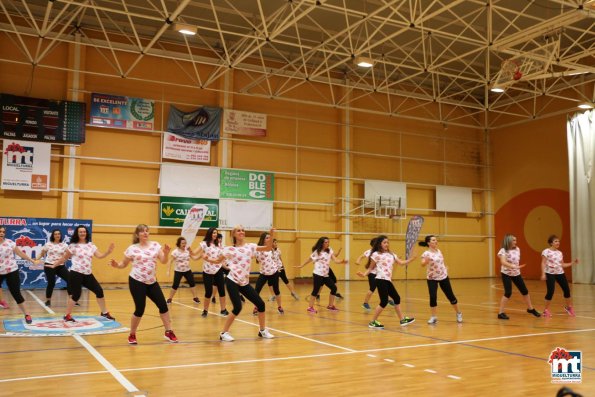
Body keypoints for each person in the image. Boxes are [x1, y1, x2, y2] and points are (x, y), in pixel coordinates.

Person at [110, 224, 177, 344]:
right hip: (136, 281)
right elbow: (123, 264)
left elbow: (163, 261)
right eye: (142, 231)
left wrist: (166, 252)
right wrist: (116, 265)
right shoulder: (132, 248)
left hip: (152, 282)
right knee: (140, 309)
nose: (145, 233)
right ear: (137, 235)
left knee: (163, 306)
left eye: (147, 231)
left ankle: (168, 331)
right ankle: (132, 334)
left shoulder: (156, 245)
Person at [216, 225, 275, 342]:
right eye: (238, 230)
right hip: (232, 280)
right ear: (233, 234)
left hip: (244, 282)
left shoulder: (251, 247)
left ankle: (262, 331)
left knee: (261, 304)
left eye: (243, 230)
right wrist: (208, 259)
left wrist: (272, 235)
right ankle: (223, 333)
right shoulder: (229, 249)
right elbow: (218, 261)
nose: (241, 232)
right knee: (237, 307)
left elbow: (268, 248)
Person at [56, 225, 115, 322]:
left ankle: (104, 312)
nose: (83, 233)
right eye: (80, 232)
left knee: (99, 291)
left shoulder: (91, 245)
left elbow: (99, 256)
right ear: (77, 233)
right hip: (76, 273)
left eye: (84, 231)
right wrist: (54, 265)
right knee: (76, 295)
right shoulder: (73, 246)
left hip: (88, 274)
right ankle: (67, 315)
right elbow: (64, 258)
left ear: (86, 233)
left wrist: (108, 252)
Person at [357, 235, 415, 329]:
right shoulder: (376, 254)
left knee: (397, 298)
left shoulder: (391, 254)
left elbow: (400, 263)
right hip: (380, 279)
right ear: (380, 244)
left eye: (387, 242)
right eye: (384, 242)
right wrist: (364, 274)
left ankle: (402, 320)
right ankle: (372, 322)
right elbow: (371, 268)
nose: (387, 244)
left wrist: (411, 259)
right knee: (384, 301)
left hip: (387, 280)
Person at [418, 235, 463, 324]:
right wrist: (425, 261)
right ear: (428, 243)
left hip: (443, 276)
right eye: (433, 240)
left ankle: (459, 313)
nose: (436, 241)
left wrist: (445, 268)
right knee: (433, 296)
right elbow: (422, 264)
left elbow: (440, 263)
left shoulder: (439, 251)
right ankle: (434, 317)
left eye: (436, 240)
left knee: (450, 296)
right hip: (432, 278)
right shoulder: (426, 253)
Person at [296, 237, 347, 313]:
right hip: (318, 274)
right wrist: (301, 265)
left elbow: (335, 260)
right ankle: (310, 307)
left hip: (325, 275)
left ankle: (330, 306)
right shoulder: (317, 252)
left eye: (328, 242)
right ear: (322, 243)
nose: (327, 243)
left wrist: (341, 261)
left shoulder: (329, 250)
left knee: (334, 288)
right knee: (315, 291)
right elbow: (309, 259)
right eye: (326, 242)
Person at [496, 234, 540, 319]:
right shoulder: (503, 250)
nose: (515, 242)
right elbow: (503, 262)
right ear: (508, 241)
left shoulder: (517, 249)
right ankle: (500, 313)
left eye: (516, 240)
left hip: (516, 273)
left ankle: (530, 308)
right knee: (508, 292)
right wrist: (513, 266)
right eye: (513, 240)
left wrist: (516, 268)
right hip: (506, 273)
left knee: (525, 291)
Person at [0, 226, 35, 323]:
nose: (2, 233)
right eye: (0, 231)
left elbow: (20, 253)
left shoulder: (10, 243)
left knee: (16, 293)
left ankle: (27, 314)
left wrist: (32, 260)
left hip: (11, 270)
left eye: (3, 232)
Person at [541, 235, 579, 318]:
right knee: (550, 291)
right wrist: (543, 273)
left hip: (560, 273)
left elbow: (562, 265)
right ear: (551, 243)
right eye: (555, 241)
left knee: (567, 290)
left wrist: (573, 262)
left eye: (558, 241)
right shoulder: (546, 251)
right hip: (549, 273)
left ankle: (569, 307)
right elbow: (543, 263)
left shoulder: (559, 253)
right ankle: (545, 310)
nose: (558, 242)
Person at [194, 227, 228, 317]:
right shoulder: (204, 244)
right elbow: (194, 253)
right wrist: (189, 249)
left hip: (218, 269)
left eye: (216, 233)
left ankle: (223, 310)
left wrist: (228, 267)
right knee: (208, 292)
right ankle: (205, 310)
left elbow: (220, 259)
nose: (215, 234)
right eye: (213, 233)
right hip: (207, 271)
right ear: (209, 234)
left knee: (222, 290)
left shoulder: (219, 246)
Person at [38, 229, 70, 307]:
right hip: (49, 265)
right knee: (51, 282)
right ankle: (48, 300)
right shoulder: (48, 244)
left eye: (58, 234)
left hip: (60, 265)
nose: (57, 235)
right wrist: (36, 259)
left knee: (70, 280)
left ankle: (72, 299)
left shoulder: (64, 245)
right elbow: (42, 254)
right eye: (55, 234)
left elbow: (69, 254)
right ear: (53, 235)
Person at [254, 232, 284, 314]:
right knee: (256, 290)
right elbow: (257, 258)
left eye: (269, 238)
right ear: (263, 239)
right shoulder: (258, 249)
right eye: (267, 238)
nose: (269, 239)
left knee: (276, 290)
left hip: (273, 272)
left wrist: (278, 267)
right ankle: (256, 307)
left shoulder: (271, 248)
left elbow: (274, 259)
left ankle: (279, 307)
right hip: (263, 273)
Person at [166, 237, 201, 305]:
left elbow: (194, 258)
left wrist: (201, 255)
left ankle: (195, 298)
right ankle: (170, 298)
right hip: (178, 271)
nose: (184, 244)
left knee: (192, 283)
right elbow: (170, 261)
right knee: (175, 285)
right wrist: (168, 271)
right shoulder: (175, 252)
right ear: (179, 244)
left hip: (187, 270)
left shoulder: (188, 250)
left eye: (185, 243)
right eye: (182, 243)